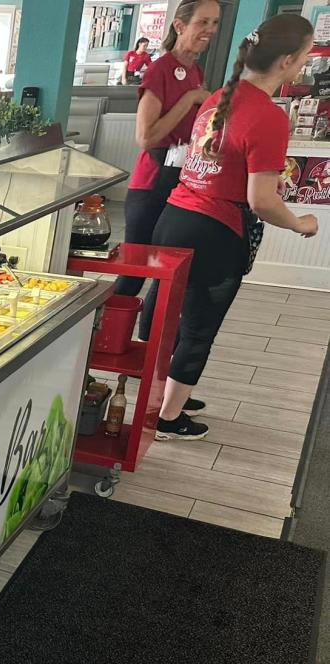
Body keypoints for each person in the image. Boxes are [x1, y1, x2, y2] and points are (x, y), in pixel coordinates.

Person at [151, 14, 318, 440]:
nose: (302, 67)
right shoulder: (268, 116)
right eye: (302, 59)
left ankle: (169, 394)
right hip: (213, 230)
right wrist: (300, 223)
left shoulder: (219, 98)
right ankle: (168, 418)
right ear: (285, 61)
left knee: (171, 319)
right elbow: (261, 201)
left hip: (173, 219)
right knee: (198, 328)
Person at [115, 0, 219, 342]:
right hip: (151, 186)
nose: (210, 31)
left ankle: (153, 362)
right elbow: (146, 137)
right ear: (179, 26)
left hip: (182, 185)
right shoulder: (161, 70)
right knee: (135, 272)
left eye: (214, 23)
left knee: (169, 273)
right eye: (203, 22)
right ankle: (103, 340)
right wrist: (189, 100)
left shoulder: (195, 72)